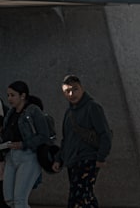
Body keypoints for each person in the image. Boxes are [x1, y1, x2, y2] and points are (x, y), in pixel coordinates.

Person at [51, 75, 111, 208]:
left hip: (88, 159)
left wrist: (101, 157)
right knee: (85, 197)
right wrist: (58, 159)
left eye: (75, 89)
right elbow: (66, 140)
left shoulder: (92, 107)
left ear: (82, 88)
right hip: (72, 161)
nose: (72, 94)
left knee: (78, 198)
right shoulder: (68, 113)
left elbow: (105, 134)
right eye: (67, 91)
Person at [2, 81, 51, 208]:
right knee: (9, 199)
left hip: (28, 157)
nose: (9, 99)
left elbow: (44, 135)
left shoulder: (33, 111)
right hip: (11, 156)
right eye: (8, 95)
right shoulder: (11, 113)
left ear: (22, 96)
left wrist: (24, 144)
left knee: (19, 200)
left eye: (13, 95)